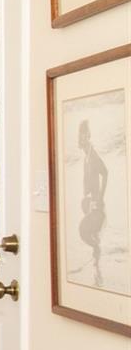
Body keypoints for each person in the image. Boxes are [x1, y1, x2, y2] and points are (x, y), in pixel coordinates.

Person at [75, 120, 108, 284]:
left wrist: (100, 197)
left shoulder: (93, 156)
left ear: (88, 137)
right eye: (79, 137)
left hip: (97, 207)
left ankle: (97, 263)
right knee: (89, 233)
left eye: (83, 137)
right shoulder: (86, 158)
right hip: (90, 205)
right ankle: (96, 268)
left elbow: (105, 172)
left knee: (83, 231)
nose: (80, 141)